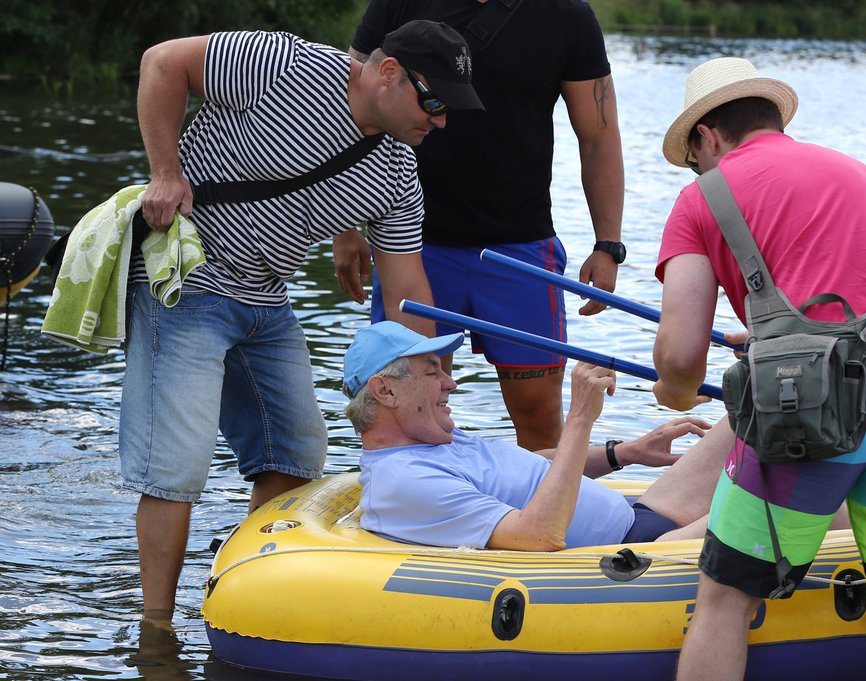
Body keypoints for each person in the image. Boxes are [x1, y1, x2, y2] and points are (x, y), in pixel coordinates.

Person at [125, 20, 484, 618]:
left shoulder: (397, 174)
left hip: (266, 298)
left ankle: (237, 597)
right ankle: (157, 631)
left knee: (292, 453)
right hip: (184, 283)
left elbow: (406, 293)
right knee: (177, 466)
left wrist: (432, 381)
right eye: (435, 101)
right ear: (388, 71)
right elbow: (163, 61)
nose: (441, 120)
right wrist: (166, 171)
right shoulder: (283, 62)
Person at [652, 58, 866, 681]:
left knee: (725, 599)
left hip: (811, 407)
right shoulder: (854, 169)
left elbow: (682, 355)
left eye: (694, 157)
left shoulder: (699, 200)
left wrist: (674, 389)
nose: (697, 170)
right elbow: (861, 291)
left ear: (707, 137)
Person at [334, 1, 626, 452]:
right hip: (410, 247)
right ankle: (410, 513)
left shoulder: (568, 14)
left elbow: (598, 135)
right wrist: (346, 223)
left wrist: (607, 244)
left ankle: (542, 518)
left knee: (538, 415)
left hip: (521, 247)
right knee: (405, 410)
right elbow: (353, 105)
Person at [342, 320, 733, 551]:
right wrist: (580, 417)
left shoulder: (433, 439)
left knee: (752, 413)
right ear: (385, 391)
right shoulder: (405, 480)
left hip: (640, 516)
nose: (450, 382)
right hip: (637, 557)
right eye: (432, 372)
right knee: (779, 499)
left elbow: (532, 469)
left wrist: (623, 453)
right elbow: (537, 536)